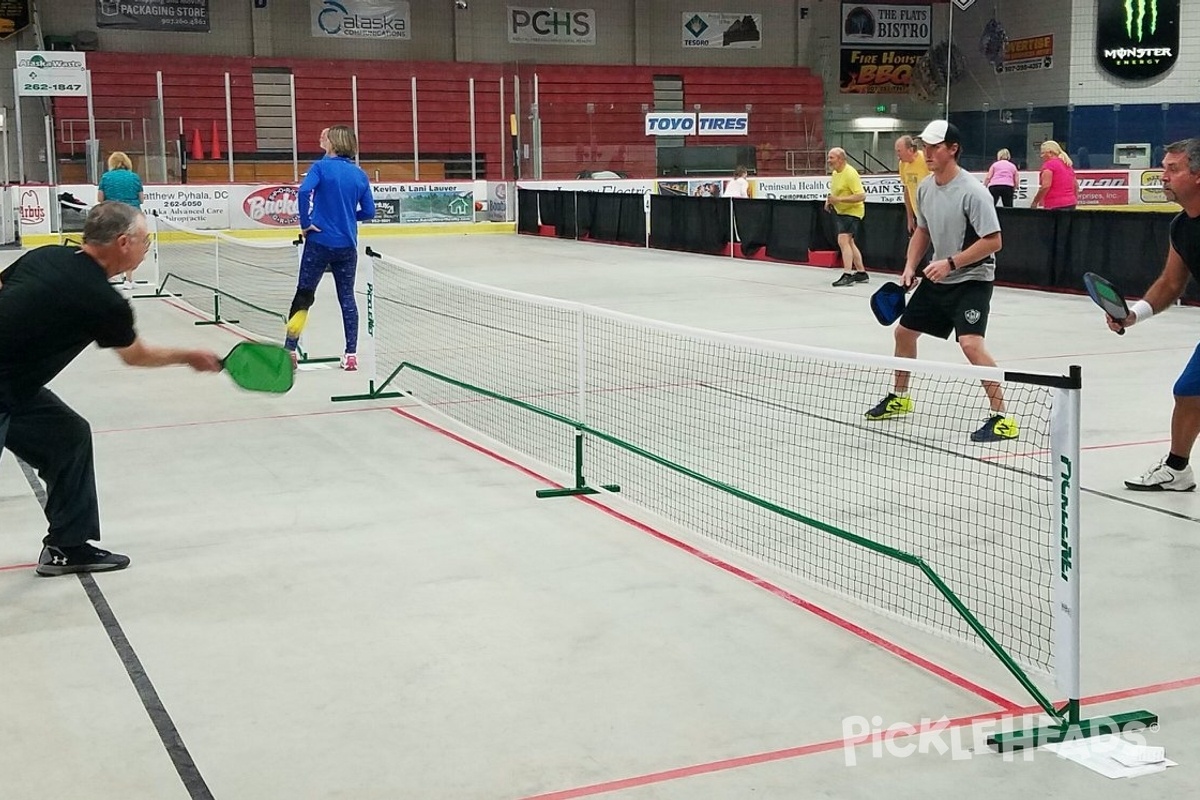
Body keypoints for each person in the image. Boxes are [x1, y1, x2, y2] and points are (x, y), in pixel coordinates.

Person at [0, 202, 223, 576]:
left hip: (15, 389)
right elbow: (136, 356)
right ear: (123, 242)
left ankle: (68, 546)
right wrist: (190, 356)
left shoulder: (47, 256)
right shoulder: (103, 302)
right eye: (145, 240)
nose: (147, 248)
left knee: (66, 437)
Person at [863, 120, 1018, 443]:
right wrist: (909, 266)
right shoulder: (926, 188)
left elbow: (994, 241)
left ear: (953, 149)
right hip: (938, 276)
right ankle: (901, 397)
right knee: (904, 332)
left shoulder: (974, 192)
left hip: (973, 278)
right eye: (925, 147)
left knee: (970, 344)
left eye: (935, 147)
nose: (928, 153)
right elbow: (923, 230)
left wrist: (951, 263)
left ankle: (1003, 417)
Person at [1102, 138, 1200, 491]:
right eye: (1164, 168)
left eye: (1173, 169)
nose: (1163, 176)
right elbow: (1171, 283)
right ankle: (1177, 469)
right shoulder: (1182, 227)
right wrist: (1132, 315)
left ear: (1198, 175)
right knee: (1189, 392)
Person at [287, 125, 375, 371]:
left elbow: (304, 191)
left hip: (320, 243)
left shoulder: (321, 167)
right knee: (347, 298)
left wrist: (306, 223)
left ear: (333, 144)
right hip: (347, 246)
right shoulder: (359, 175)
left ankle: (290, 348)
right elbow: (369, 211)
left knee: (304, 295)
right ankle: (350, 354)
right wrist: (347, 216)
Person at [96, 151, 145, 291]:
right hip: (132, 214)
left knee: (111, 243)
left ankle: (110, 274)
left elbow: (100, 199)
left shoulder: (106, 177)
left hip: (112, 213)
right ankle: (129, 279)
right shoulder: (134, 177)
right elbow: (141, 199)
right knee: (129, 245)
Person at [825, 147, 867, 287]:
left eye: (832, 157)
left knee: (843, 240)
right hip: (842, 212)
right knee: (849, 242)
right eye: (829, 157)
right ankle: (861, 273)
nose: (829, 160)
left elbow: (861, 195)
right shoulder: (836, 173)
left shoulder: (850, 173)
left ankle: (847, 274)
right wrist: (829, 201)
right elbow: (835, 191)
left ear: (841, 159)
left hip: (853, 211)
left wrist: (839, 200)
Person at [1030, 139, 1079, 210]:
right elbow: (1076, 186)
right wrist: (1074, 200)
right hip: (1071, 203)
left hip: (1054, 204)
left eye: (1043, 153)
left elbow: (1045, 186)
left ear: (1050, 153)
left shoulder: (1049, 165)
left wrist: (1035, 202)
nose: (1041, 156)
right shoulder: (1067, 164)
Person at [895, 135, 929, 234]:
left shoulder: (925, 159)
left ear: (910, 150)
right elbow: (907, 190)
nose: (897, 155)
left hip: (931, 212)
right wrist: (910, 218)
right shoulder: (902, 164)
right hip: (919, 215)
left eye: (899, 151)